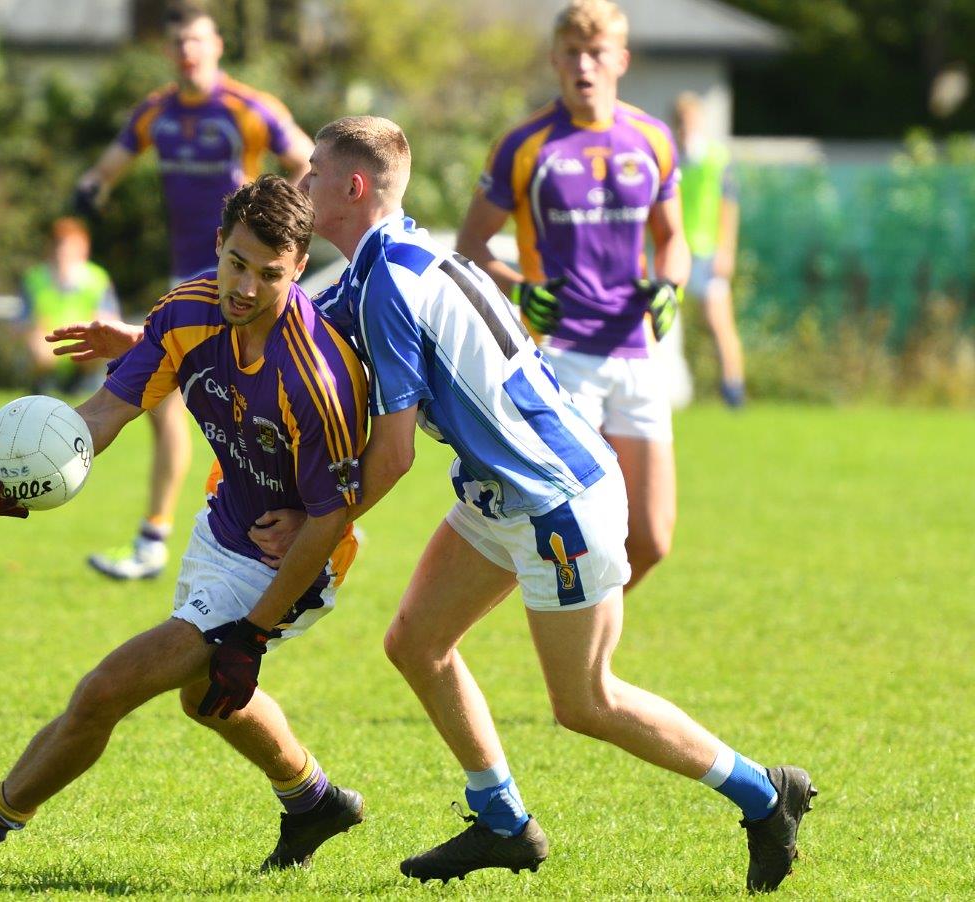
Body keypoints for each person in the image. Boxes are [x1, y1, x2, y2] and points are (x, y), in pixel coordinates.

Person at [257, 114, 814, 892]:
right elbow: (289, 327)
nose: (300, 183)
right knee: (417, 642)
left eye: (313, 171)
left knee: (586, 702)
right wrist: (156, 342)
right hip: (504, 494)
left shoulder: (387, 285)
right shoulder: (392, 259)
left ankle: (766, 795)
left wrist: (322, 527)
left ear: (353, 187)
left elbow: (394, 452)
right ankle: (503, 823)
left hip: (557, 504)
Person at [0, 176, 367, 883]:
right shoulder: (185, 313)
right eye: (235, 263)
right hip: (221, 527)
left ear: (299, 267)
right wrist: (18, 473)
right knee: (207, 697)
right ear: (218, 245)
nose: (244, 287)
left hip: (291, 556)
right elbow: (104, 414)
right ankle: (315, 801)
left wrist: (253, 633)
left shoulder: (314, 376)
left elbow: (330, 518)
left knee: (103, 692)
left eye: (269, 274)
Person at [72, 1, 316, 581]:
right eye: (178, 43)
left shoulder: (247, 107)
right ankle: (160, 536)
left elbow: (309, 162)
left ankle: (275, 522)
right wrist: (89, 191)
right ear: (168, 51)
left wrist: (277, 232)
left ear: (217, 47)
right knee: (163, 407)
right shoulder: (155, 112)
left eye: (197, 42)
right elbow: (108, 166)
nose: (188, 52)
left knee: (207, 404)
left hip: (244, 282)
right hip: (188, 280)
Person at [454, 0, 683, 592]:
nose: (585, 65)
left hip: (635, 354)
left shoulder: (653, 138)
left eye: (597, 52)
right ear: (556, 60)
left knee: (652, 540)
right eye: (573, 53)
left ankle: (581, 636)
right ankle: (576, 651)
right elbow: (472, 243)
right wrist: (520, 289)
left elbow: (674, 239)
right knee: (585, 528)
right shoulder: (525, 145)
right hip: (560, 357)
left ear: (622, 60)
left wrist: (672, 284)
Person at [673, 91, 747, 407]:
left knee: (718, 322)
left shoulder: (716, 159)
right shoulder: (671, 159)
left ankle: (733, 390)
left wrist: (726, 250)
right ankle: (672, 388)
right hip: (676, 252)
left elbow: (729, 206)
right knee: (663, 322)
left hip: (707, 251)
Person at [20, 217, 120, 395]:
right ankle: (42, 387)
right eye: (59, 245)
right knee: (37, 348)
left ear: (83, 248)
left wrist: (97, 325)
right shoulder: (35, 279)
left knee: (101, 341)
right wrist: (33, 330)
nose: (63, 251)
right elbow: (19, 322)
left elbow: (113, 319)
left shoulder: (97, 279)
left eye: (70, 246)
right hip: (48, 343)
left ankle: (81, 384)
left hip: (84, 343)